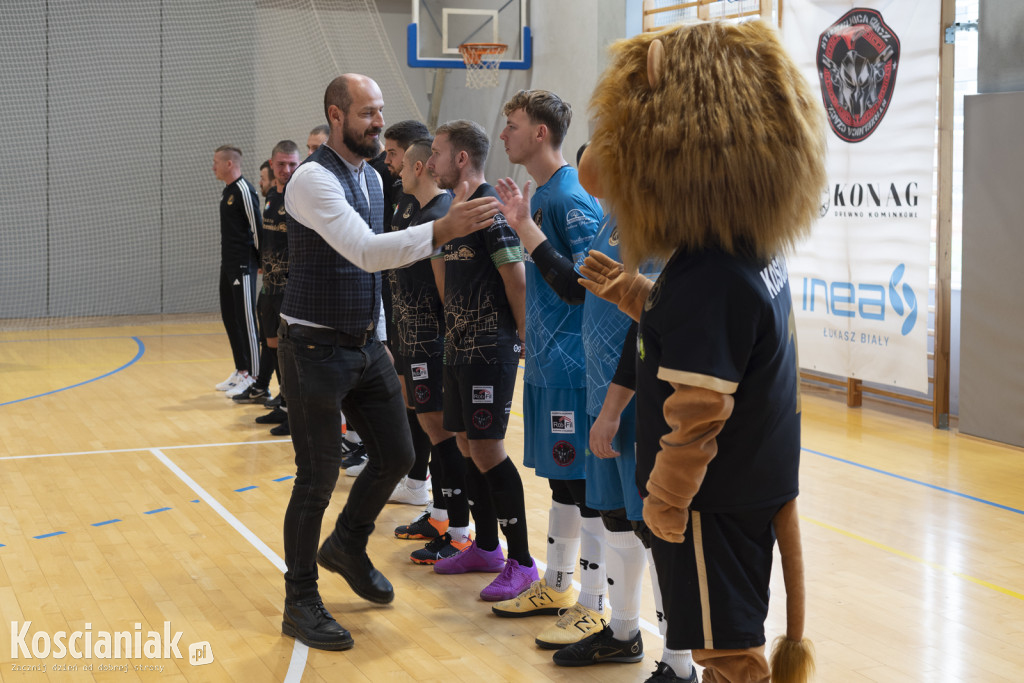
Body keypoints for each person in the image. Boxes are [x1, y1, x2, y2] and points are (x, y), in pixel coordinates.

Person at [577, 21, 825, 683]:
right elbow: (721, 341)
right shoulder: (743, 255)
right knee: (732, 632)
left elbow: (700, 406)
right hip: (755, 479)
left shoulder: (709, 276)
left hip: (711, 498)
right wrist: (642, 295)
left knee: (729, 653)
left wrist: (665, 498)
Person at [278, 74, 502, 653]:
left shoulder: (371, 179)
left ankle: (347, 544)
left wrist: (381, 340)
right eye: (367, 113)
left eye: (380, 112)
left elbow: (370, 270)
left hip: (363, 343)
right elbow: (367, 251)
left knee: (400, 453)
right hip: (312, 349)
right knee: (316, 477)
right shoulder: (310, 180)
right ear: (336, 116)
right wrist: (443, 229)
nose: (379, 122)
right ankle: (299, 599)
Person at [497, 152, 666, 667]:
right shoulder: (612, 217)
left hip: (633, 399)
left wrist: (615, 404)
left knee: (653, 527)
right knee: (614, 515)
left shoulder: (659, 226)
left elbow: (651, 323)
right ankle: (622, 630)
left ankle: (677, 660)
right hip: (599, 394)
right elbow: (578, 287)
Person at [491, 90, 605, 650]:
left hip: (574, 369)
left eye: (512, 125)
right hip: (547, 365)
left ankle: (594, 602)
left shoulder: (569, 199)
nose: (503, 134)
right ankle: (556, 585)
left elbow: (586, 286)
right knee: (563, 482)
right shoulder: (542, 197)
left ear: (539, 132)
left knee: (585, 486)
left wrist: (526, 230)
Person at [424, 120, 536, 602]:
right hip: (458, 347)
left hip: (490, 347)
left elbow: (516, 278)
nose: (431, 162)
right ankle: (487, 548)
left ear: (462, 159)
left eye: (437, 153)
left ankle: (523, 563)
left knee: (488, 449)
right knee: (468, 446)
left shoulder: (490, 207)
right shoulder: (457, 210)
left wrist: (527, 340)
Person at [382, 138, 467, 561]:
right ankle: (438, 515)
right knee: (431, 429)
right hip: (407, 337)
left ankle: (459, 527)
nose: (394, 169)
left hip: (430, 341)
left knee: (442, 433)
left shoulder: (442, 214)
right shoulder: (410, 208)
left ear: (418, 167)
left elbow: (445, 290)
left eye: (402, 162)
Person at [234, 140, 302, 409]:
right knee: (271, 342)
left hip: (289, 288)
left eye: (292, 164)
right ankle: (277, 395)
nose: (286, 169)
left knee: (288, 348)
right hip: (269, 286)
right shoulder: (271, 197)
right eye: (281, 164)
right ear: (272, 165)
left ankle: (290, 405)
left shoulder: (298, 198)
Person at [212, 145, 261, 395]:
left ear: (229, 164)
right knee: (230, 318)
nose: (213, 167)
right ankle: (241, 369)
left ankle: (254, 376)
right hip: (228, 265)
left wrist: (261, 261)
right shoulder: (227, 192)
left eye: (216, 162)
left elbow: (257, 226)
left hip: (243, 265)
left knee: (247, 320)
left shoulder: (244, 190)